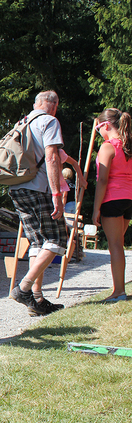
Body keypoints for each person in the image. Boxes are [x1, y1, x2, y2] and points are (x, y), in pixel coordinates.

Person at [8, 91, 86, 316]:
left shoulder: (22, 122)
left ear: (36, 104)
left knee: (37, 242)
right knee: (56, 239)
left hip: (17, 187)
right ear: (55, 106)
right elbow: (52, 158)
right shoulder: (49, 121)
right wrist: (56, 194)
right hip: (37, 188)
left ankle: (37, 298)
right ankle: (24, 289)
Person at [92, 108, 132, 302]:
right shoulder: (128, 146)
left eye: (98, 128)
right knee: (119, 243)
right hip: (129, 199)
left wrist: (95, 209)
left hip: (113, 199)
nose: (98, 132)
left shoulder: (108, 147)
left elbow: (102, 181)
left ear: (105, 125)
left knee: (115, 245)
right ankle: (119, 289)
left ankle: (119, 292)